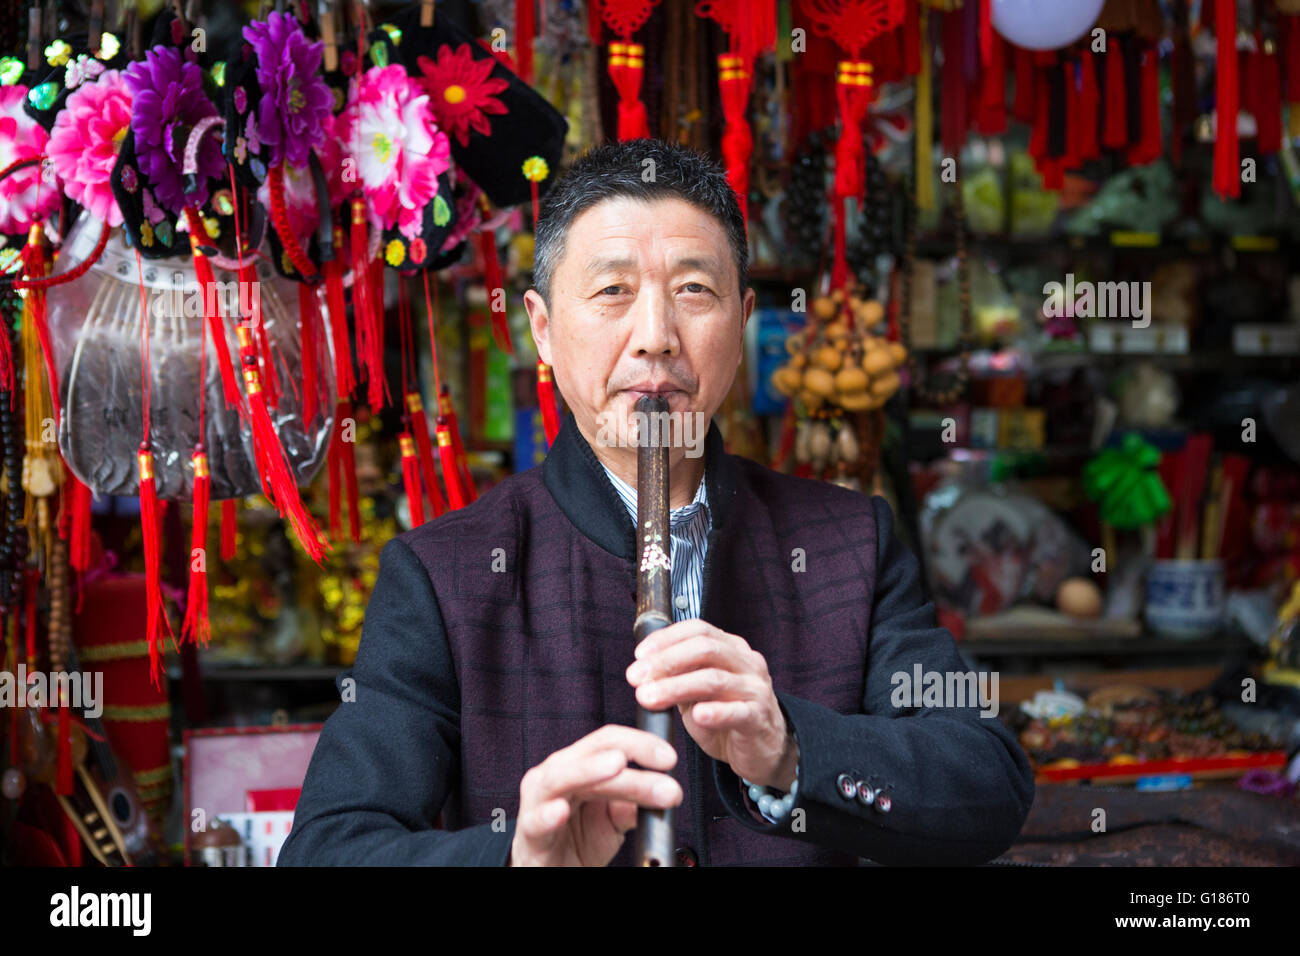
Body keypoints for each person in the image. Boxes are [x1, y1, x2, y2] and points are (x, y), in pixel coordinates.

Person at [278, 140, 1034, 867]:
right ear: (542, 329)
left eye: (694, 291)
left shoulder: (850, 541)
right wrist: (518, 860)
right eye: (612, 291)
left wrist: (789, 747)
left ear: (741, 322)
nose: (656, 338)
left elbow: (989, 781)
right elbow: (327, 850)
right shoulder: (444, 574)